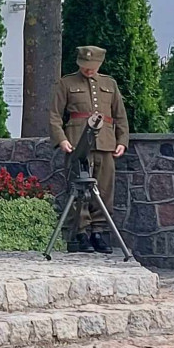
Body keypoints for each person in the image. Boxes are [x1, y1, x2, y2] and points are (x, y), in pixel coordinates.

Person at [49, 45, 129, 254]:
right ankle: (81, 232)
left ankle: (99, 232)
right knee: (79, 189)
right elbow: (55, 116)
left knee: (104, 189)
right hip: (77, 143)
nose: (88, 70)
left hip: (105, 143)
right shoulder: (67, 82)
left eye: (92, 66)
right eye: (85, 66)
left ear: (100, 64)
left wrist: (122, 140)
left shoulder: (109, 84)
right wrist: (62, 139)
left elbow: (120, 115)